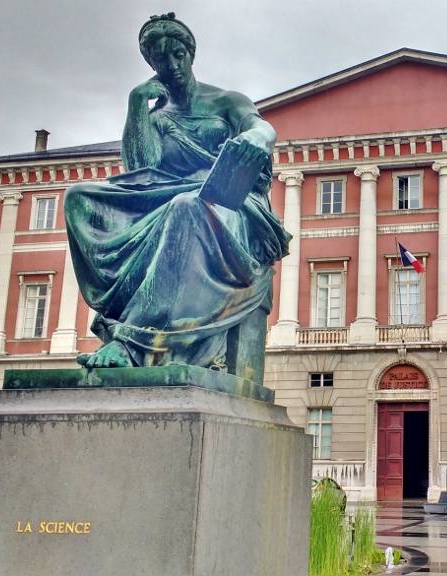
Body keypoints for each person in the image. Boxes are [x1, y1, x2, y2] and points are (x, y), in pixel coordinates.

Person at [64, 13, 290, 381]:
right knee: (78, 198)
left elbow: (261, 126)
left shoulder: (226, 101)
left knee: (187, 208)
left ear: (190, 54)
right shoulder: (155, 116)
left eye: (178, 55)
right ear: (151, 63)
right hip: (163, 196)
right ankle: (129, 310)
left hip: (228, 203)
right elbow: (141, 169)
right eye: (160, 58)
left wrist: (254, 139)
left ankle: (133, 341)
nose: (171, 65)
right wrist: (137, 104)